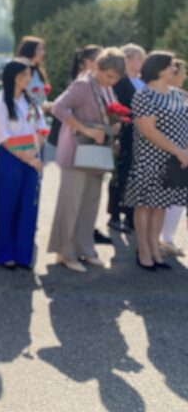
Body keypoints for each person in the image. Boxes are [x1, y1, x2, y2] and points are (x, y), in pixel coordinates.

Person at [48, 48, 126, 272]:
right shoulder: (82, 85)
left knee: (90, 204)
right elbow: (58, 107)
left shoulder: (106, 88)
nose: (112, 81)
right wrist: (87, 130)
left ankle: (85, 248)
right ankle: (65, 252)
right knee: (71, 205)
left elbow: (106, 114)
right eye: (109, 75)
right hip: (77, 153)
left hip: (97, 155)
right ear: (97, 67)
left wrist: (113, 129)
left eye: (116, 78)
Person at [124, 51, 188, 271]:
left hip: (174, 160)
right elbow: (148, 131)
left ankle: (155, 247)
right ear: (160, 69)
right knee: (145, 205)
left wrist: (184, 150)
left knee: (160, 205)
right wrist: (179, 151)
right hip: (150, 158)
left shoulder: (178, 94)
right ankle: (143, 249)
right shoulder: (144, 95)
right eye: (172, 66)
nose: (175, 70)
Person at [0, 57, 47, 269]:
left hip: (32, 159)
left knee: (28, 207)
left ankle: (23, 255)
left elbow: (41, 129)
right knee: (7, 206)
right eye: (23, 74)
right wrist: (28, 157)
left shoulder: (30, 101)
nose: (27, 79)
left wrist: (34, 153)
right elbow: (3, 137)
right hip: (11, 160)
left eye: (29, 75)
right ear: (11, 76)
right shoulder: (0, 103)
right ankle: (4, 254)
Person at [108, 43, 146, 234]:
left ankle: (131, 216)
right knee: (120, 174)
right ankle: (114, 214)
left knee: (135, 176)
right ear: (129, 59)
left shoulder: (143, 81)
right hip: (125, 134)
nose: (142, 62)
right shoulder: (120, 82)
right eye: (139, 58)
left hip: (142, 137)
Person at [161, 58, 187, 256]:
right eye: (182, 72)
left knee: (178, 198)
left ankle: (167, 237)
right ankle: (164, 238)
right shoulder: (166, 96)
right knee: (171, 196)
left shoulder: (180, 95)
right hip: (172, 153)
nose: (185, 76)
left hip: (182, 152)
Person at [16, 36, 51, 110]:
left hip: (38, 116)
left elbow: (41, 99)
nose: (43, 53)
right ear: (30, 50)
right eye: (39, 49)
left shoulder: (38, 71)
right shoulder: (19, 72)